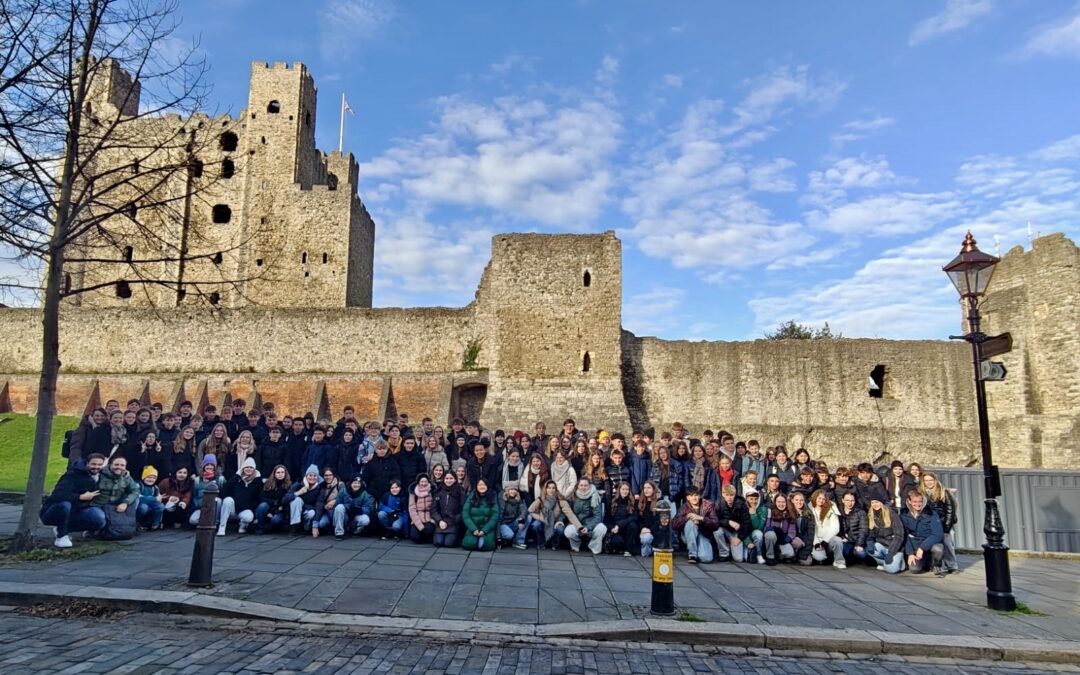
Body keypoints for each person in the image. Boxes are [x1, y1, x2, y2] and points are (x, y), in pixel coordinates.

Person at [40, 454, 107, 548]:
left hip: (78, 510)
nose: (96, 467)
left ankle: (63, 528)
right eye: (93, 464)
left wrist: (125, 473)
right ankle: (61, 536)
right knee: (65, 505)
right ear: (87, 463)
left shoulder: (100, 476)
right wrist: (80, 497)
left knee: (99, 519)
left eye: (99, 464)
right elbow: (58, 495)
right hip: (53, 510)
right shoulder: (72, 475)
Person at [920, 472, 959, 574]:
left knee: (948, 544)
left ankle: (952, 566)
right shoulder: (922, 493)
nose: (928, 482)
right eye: (926, 480)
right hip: (932, 523)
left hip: (944, 522)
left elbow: (950, 510)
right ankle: (937, 565)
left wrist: (946, 527)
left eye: (930, 480)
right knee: (936, 545)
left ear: (935, 480)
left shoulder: (944, 492)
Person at [901, 490, 946, 576]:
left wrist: (922, 547)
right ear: (909, 501)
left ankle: (936, 564)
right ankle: (924, 564)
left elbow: (938, 534)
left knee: (938, 549)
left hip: (928, 545)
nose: (917, 504)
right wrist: (910, 553)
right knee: (914, 569)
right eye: (914, 501)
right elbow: (904, 534)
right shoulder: (904, 514)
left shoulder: (932, 513)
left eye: (920, 501)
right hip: (914, 546)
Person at [672, 485, 719, 564]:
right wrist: (687, 517)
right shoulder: (684, 507)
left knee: (706, 558)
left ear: (699, 496)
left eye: (696, 495)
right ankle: (692, 554)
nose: (694, 498)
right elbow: (674, 524)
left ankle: (698, 549)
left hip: (703, 534)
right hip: (688, 535)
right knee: (690, 523)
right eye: (691, 496)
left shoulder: (708, 505)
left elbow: (715, 523)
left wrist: (701, 519)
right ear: (688, 498)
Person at [218, 457, 263, 536]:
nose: (248, 469)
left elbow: (258, 499)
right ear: (243, 468)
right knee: (227, 500)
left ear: (254, 469)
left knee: (249, 517)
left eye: (251, 467)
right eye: (246, 467)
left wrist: (249, 506)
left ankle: (243, 526)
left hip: (245, 509)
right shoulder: (235, 478)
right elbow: (224, 491)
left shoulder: (258, 482)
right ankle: (222, 527)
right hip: (232, 507)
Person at [529, 479, 578, 549]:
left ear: (556, 489)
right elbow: (530, 511)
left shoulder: (560, 499)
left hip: (555, 522)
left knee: (560, 529)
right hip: (544, 521)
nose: (551, 490)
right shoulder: (541, 499)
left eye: (553, 488)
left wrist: (560, 521)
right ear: (545, 489)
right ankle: (541, 543)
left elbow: (565, 513)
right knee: (535, 525)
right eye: (549, 488)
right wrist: (540, 517)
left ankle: (555, 544)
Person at [566, 478, 607, 555]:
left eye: (585, 485)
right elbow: (570, 515)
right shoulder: (573, 496)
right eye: (581, 485)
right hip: (577, 524)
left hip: (591, 524)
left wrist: (588, 527)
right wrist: (579, 527)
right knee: (568, 531)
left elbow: (598, 516)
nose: (583, 487)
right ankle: (577, 545)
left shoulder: (595, 496)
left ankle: (593, 546)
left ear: (589, 486)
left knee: (602, 528)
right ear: (577, 486)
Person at [713, 484, 752, 563]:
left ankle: (732, 546)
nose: (729, 497)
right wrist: (728, 522)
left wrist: (739, 538)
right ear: (723, 494)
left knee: (739, 559)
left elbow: (747, 523)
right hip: (725, 530)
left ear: (735, 494)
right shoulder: (719, 504)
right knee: (717, 531)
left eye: (732, 495)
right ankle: (724, 553)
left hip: (737, 532)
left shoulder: (741, 504)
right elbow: (715, 520)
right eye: (727, 495)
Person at [865, 497, 905, 573]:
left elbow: (899, 535)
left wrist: (891, 553)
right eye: (872, 502)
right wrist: (870, 542)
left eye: (877, 502)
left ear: (882, 503)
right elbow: (870, 534)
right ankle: (884, 562)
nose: (874, 504)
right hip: (881, 545)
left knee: (891, 570)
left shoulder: (892, 514)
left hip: (894, 547)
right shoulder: (871, 514)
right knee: (868, 549)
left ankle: (897, 561)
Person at [462, 478, 499, 551]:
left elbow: (495, 515)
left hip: (487, 528)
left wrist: (484, 530)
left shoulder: (492, 496)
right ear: (476, 486)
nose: (482, 487)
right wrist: (473, 529)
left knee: (483, 545)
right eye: (480, 485)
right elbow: (465, 514)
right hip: (474, 526)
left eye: (484, 485)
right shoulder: (472, 496)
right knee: (469, 545)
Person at [809, 489, 844, 568]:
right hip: (816, 539)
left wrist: (825, 541)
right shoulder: (810, 509)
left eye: (823, 499)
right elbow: (812, 529)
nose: (821, 501)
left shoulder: (831, 509)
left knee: (837, 540)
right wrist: (816, 543)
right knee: (820, 557)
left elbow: (835, 528)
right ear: (815, 498)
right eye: (819, 498)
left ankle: (839, 561)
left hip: (828, 539)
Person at [334, 475, 374, 540]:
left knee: (365, 519)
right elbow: (337, 504)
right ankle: (339, 532)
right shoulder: (343, 491)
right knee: (339, 507)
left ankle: (355, 531)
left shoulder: (364, 493)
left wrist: (359, 510)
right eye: (355, 483)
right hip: (344, 515)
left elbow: (368, 507)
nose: (356, 485)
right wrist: (348, 507)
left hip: (356, 515)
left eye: (358, 483)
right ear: (351, 483)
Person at [604, 482, 639, 556]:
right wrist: (612, 528)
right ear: (619, 490)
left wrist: (619, 525)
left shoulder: (633, 503)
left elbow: (634, 517)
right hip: (615, 530)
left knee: (633, 525)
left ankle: (628, 550)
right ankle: (620, 548)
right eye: (623, 489)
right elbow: (607, 518)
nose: (625, 491)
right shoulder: (612, 502)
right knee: (616, 542)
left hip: (627, 528)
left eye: (627, 489)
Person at [432, 471, 465, 548]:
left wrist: (456, 519)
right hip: (441, 522)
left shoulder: (460, 490)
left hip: (453, 522)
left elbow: (463, 508)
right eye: (446, 478)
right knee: (438, 542)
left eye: (451, 478)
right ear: (443, 479)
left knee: (448, 543)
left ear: (455, 479)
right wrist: (439, 520)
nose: (449, 480)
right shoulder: (439, 491)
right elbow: (434, 508)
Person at [255, 465, 291, 534]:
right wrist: (273, 504)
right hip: (268, 508)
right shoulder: (267, 484)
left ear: (285, 473)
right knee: (262, 506)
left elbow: (284, 503)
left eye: (282, 472)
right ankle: (260, 527)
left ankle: (275, 526)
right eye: (278, 472)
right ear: (274, 474)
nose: (280, 474)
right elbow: (262, 498)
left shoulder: (289, 485)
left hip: (280, 511)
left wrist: (273, 512)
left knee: (276, 520)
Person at [761, 493, 796, 565]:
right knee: (770, 534)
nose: (781, 504)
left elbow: (792, 531)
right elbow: (766, 527)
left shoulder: (790, 513)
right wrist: (773, 530)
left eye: (783, 502)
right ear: (775, 502)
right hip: (772, 536)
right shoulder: (770, 511)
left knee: (790, 554)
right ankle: (769, 556)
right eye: (778, 502)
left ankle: (778, 554)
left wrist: (785, 540)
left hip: (783, 538)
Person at [286, 464, 322, 535]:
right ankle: (294, 527)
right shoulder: (298, 484)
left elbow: (319, 504)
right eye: (310, 475)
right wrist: (298, 493)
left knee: (312, 513)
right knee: (297, 500)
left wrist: (315, 525)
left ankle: (306, 528)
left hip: (309, 511)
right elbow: (285, 499)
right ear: (306, 476)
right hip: (294, 511)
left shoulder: (319, 488)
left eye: (314, 476)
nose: (312, 477)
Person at [836, 491, 868, 568]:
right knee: (843, 551)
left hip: (856, 540)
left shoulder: (860, 512)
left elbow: (863, 530)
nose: (850, 503)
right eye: (847, 500)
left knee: (861, 554)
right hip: (845, 540)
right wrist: (842, 537)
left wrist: (859, 544)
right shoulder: (838, 511)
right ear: (843, 500)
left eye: (852, 500)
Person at [497, 483, 530, 549]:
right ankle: (505, 540)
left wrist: (521, 519)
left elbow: (524, 509)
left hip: (513, 523)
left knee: (529, 517)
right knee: (509, 535)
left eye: (515, 489)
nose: (513, 491)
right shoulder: (502, 500)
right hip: (503, 524)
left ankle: (518, 541)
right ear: (507, 490)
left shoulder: (518, 499)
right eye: (511, 489)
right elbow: (498, 518)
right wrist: (498, 537)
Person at [310, 467, 341, 538]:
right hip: (325, 511)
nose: (328, 477)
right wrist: (315, 525)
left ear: (333, 475)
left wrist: (334, 501)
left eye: (330, 475)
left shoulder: (340, 484)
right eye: (326, 475)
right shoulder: (321, 486)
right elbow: (319, 503)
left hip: (337, 511)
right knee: (321, 524)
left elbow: (344, 498)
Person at [789, 491, 816, 566]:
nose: (799, 502)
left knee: (806, 562)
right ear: (792, 501)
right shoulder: (789, 512)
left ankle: (800, 555)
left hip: (804, 542)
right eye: (797, 500)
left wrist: (806, 552)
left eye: (801, 500)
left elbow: (810, 535)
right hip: (792, 539)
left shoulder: (809, 514)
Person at [408, 474, 436, 543]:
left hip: (429, 517)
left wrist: (432, 519)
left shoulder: (432, 491)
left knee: (429, 531)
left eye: (425, 481)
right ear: (418, 482)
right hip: (417, 517)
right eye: (422, 481)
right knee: (415, 537)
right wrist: (420, 526)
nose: (424, 483)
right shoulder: (413, 492)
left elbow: (435, 507)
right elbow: (412, 509)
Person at [135, 466, 165, 530]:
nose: (151, 479)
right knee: (144, 507)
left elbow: (159, 499)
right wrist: (154, 498)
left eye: (154, 478)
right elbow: (138, 498)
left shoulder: (155, 488)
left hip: (150, 507)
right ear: (143, 477)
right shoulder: (138, 485)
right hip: (139, 506)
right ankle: (137, 523)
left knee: (161, 506)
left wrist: (157, 499)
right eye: (149, 477)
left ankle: (155, 524)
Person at [637, 480, 662, 557]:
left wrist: (650, 530)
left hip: (654, 531)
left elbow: (659, 521)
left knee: (647, 538)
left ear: (653, 489)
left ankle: (646, 555)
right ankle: (646, 553)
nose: (646, 490)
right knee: (645, 538)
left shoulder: (659, 503)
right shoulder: (640, 502)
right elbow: (637, 519)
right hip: (642, 530)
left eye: (649, 488)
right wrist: (642, 528)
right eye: (644, 488)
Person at [745, 490, 767, 563]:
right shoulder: (742, 508)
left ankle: (759, 554)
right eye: (751, 499)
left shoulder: (763, 509)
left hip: (754, 533)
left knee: (758, 533)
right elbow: (742, 528)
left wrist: (753, 514)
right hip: (744, 535)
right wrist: (748, 542)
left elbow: (758, 527)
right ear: (746, 499)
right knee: (742, 558)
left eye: (756, 499)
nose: (754, 501)